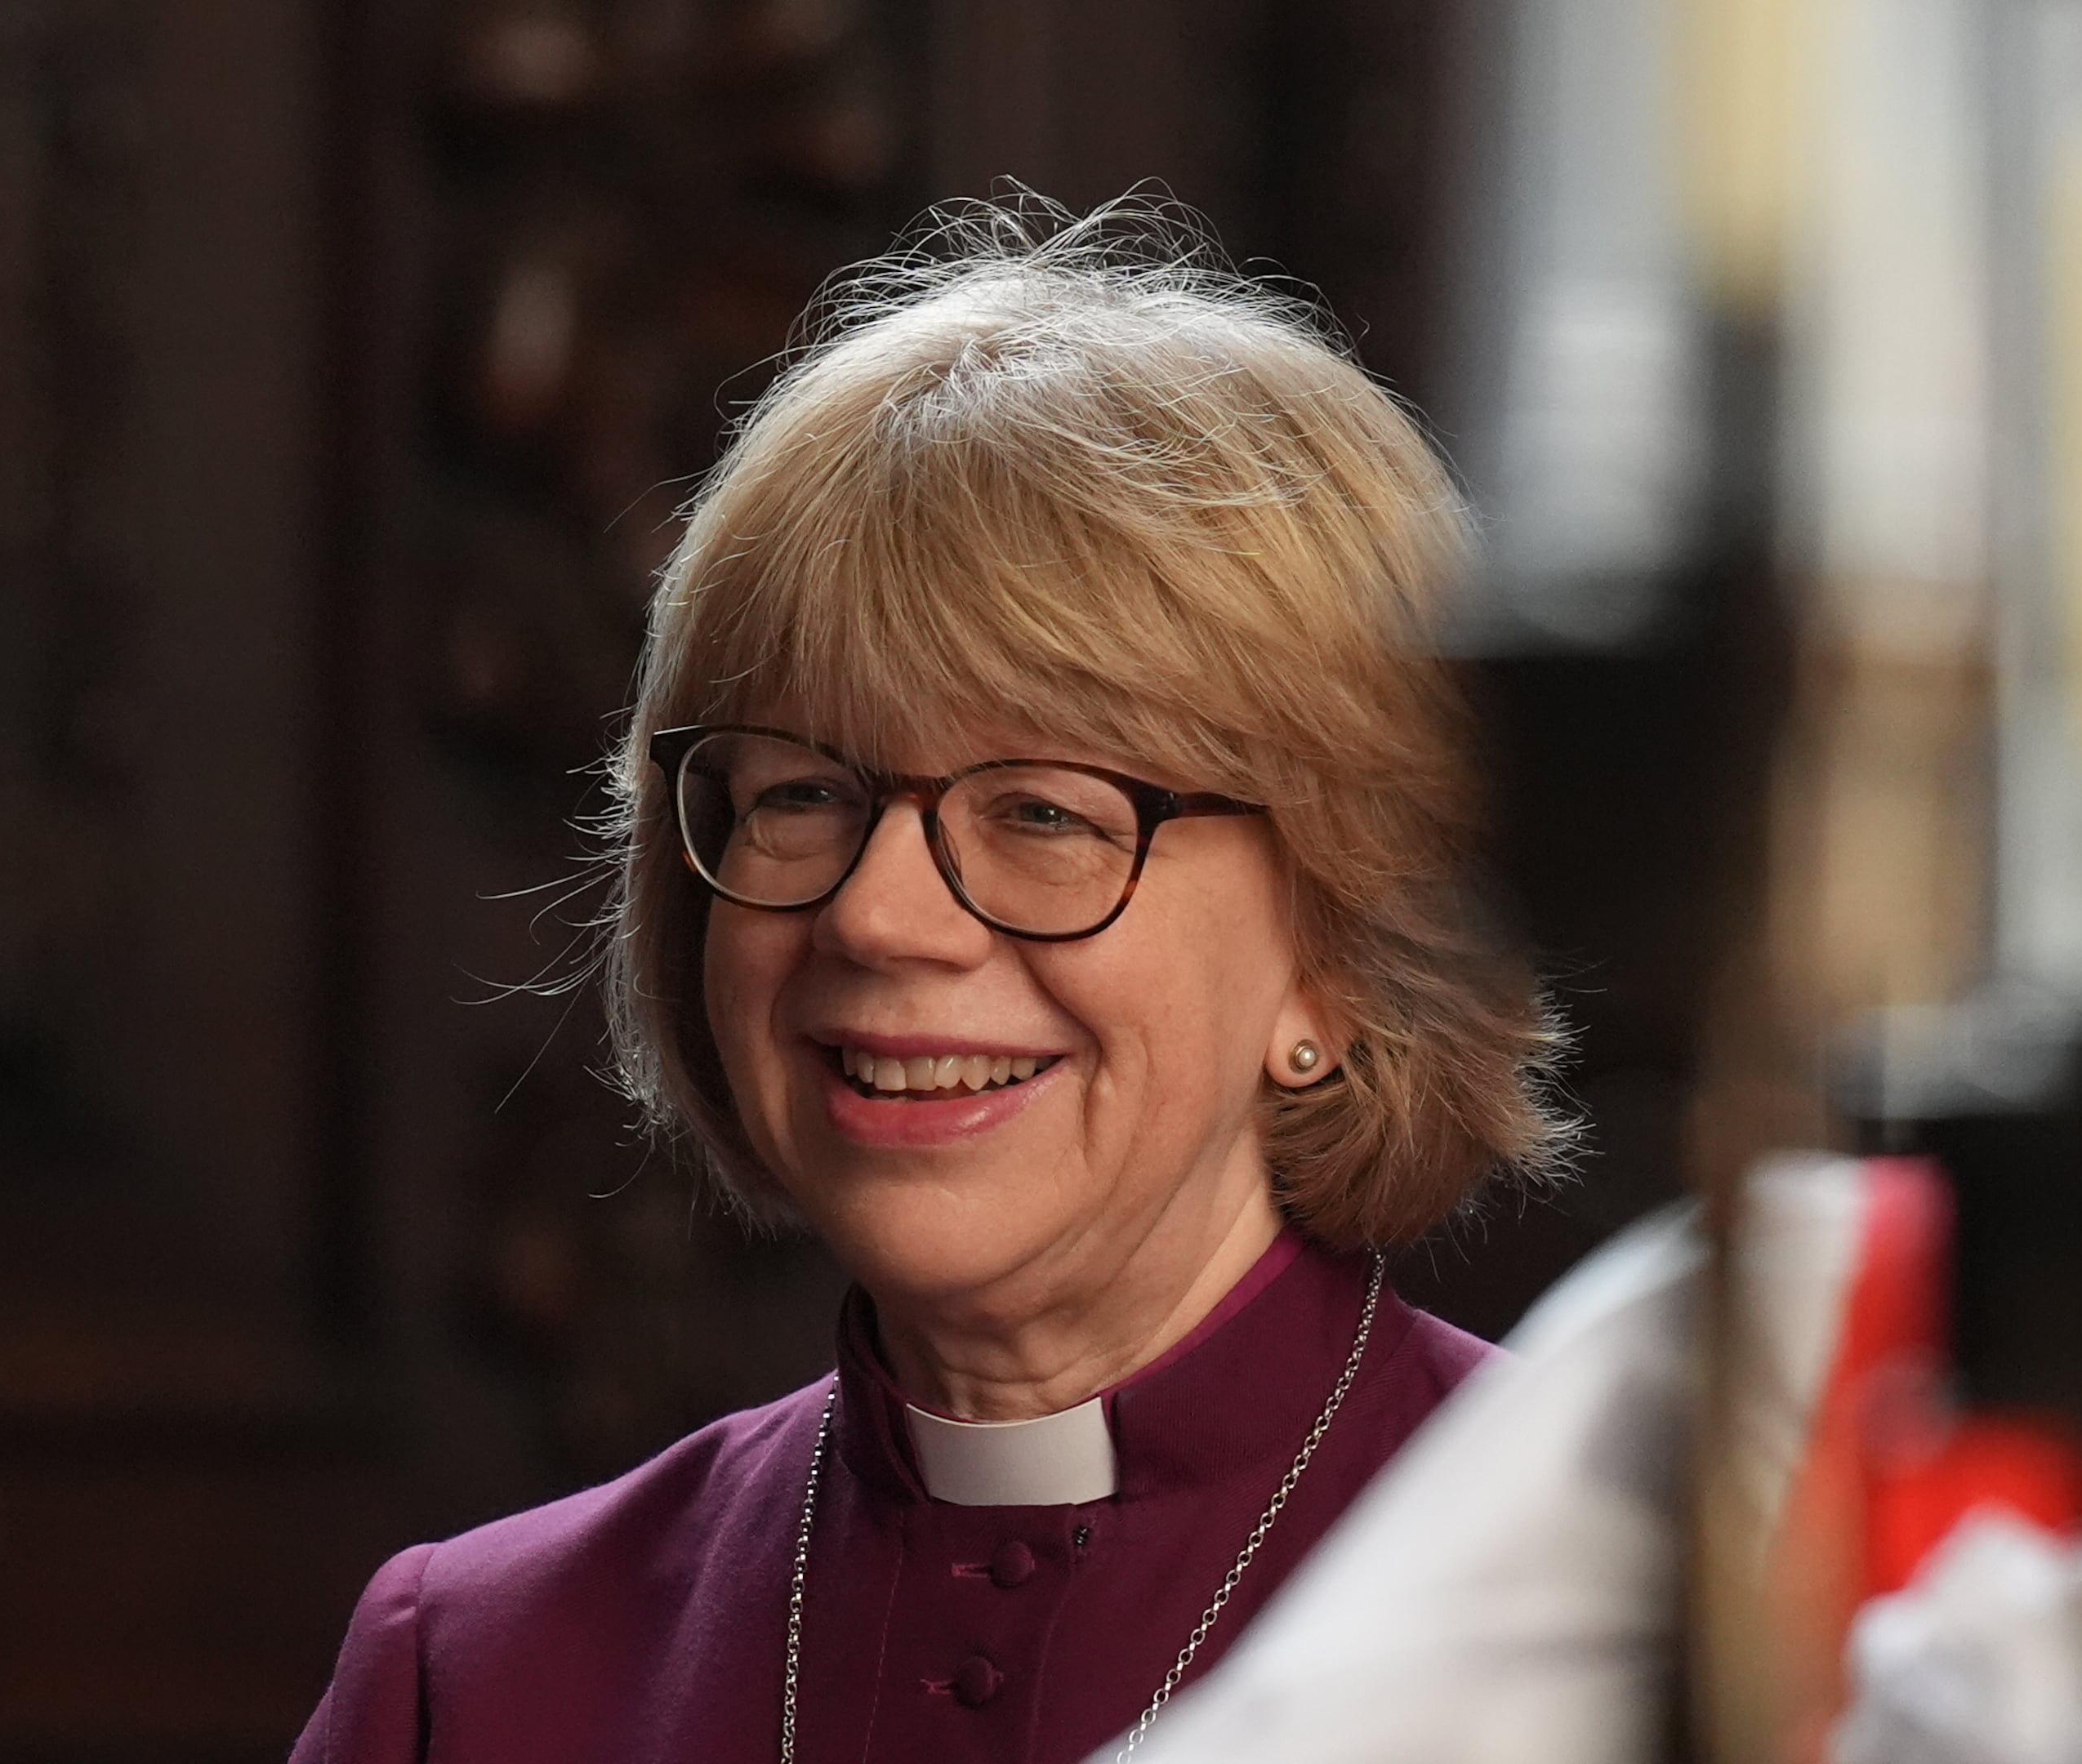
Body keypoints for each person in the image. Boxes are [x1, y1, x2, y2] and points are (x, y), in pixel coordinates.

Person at [292, 201, 1575, 1764]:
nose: (880, 917)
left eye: (1044, 811)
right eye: (801, 794)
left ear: (1343, 952)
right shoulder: (482, 1671)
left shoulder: (1619, 1610)